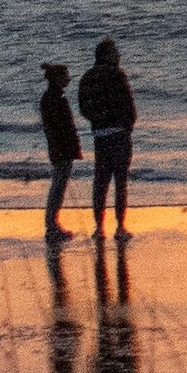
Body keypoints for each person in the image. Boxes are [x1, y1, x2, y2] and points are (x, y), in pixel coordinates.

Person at [74, 38, 138, 242]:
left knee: (100, 182)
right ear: (108, 55)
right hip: (119, 133)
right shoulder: (117, 75)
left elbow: (84, 108)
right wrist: (127, 124)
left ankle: (99, 227)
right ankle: (120, 227)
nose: (118, 55)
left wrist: (97, 120)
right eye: (115, 52)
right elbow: (129, 104)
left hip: (100, 135)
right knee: (120, 182)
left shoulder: (88, 77)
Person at [36, 60, 82, 241]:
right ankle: (52, 225)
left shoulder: (51, 97)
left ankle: (52, 224)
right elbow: (61, 127)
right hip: (61, 149)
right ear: (58, 78)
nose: (69, 80)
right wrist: (68, 146)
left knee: (58, 186)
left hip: (59, 148)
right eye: (66, 76)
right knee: (58, 187)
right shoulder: (55, 98)